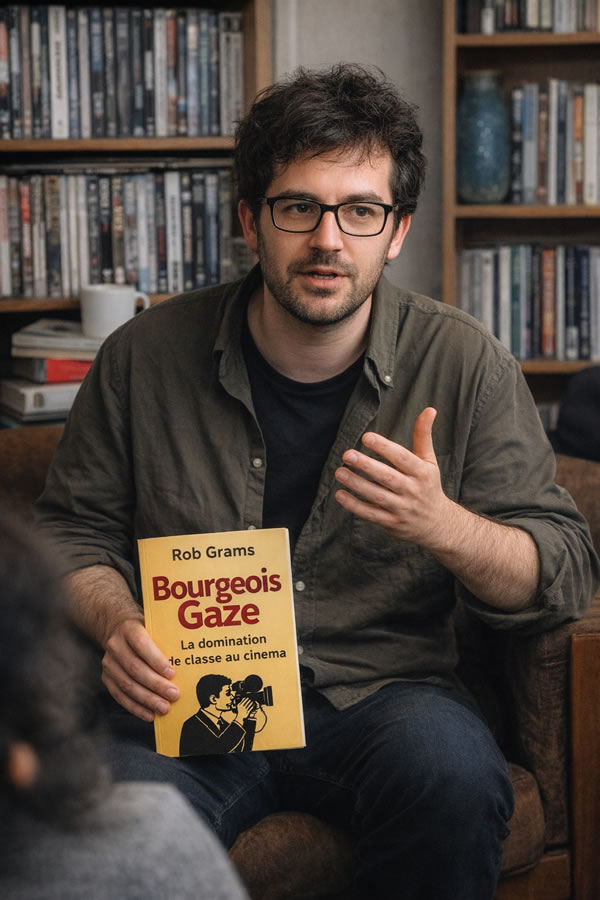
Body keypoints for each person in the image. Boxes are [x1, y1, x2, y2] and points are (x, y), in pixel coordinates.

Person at [35, 63, 600, 899]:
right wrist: (117, 622)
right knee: (100, 828)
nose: (328, 240)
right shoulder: (141, 358)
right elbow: (70, 533)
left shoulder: (464, 362)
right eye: (298, 207)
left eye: (361, 211)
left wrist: (443, 523)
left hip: (384, 697)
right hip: (190, 696)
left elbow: (563, 571)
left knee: (454, 778)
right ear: (250, 221)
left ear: (396, 230)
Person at [0, 513, 249, 900]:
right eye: (228, 694)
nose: (233, 696)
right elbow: (75, 527)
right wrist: (114, 620)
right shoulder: (152, 830)